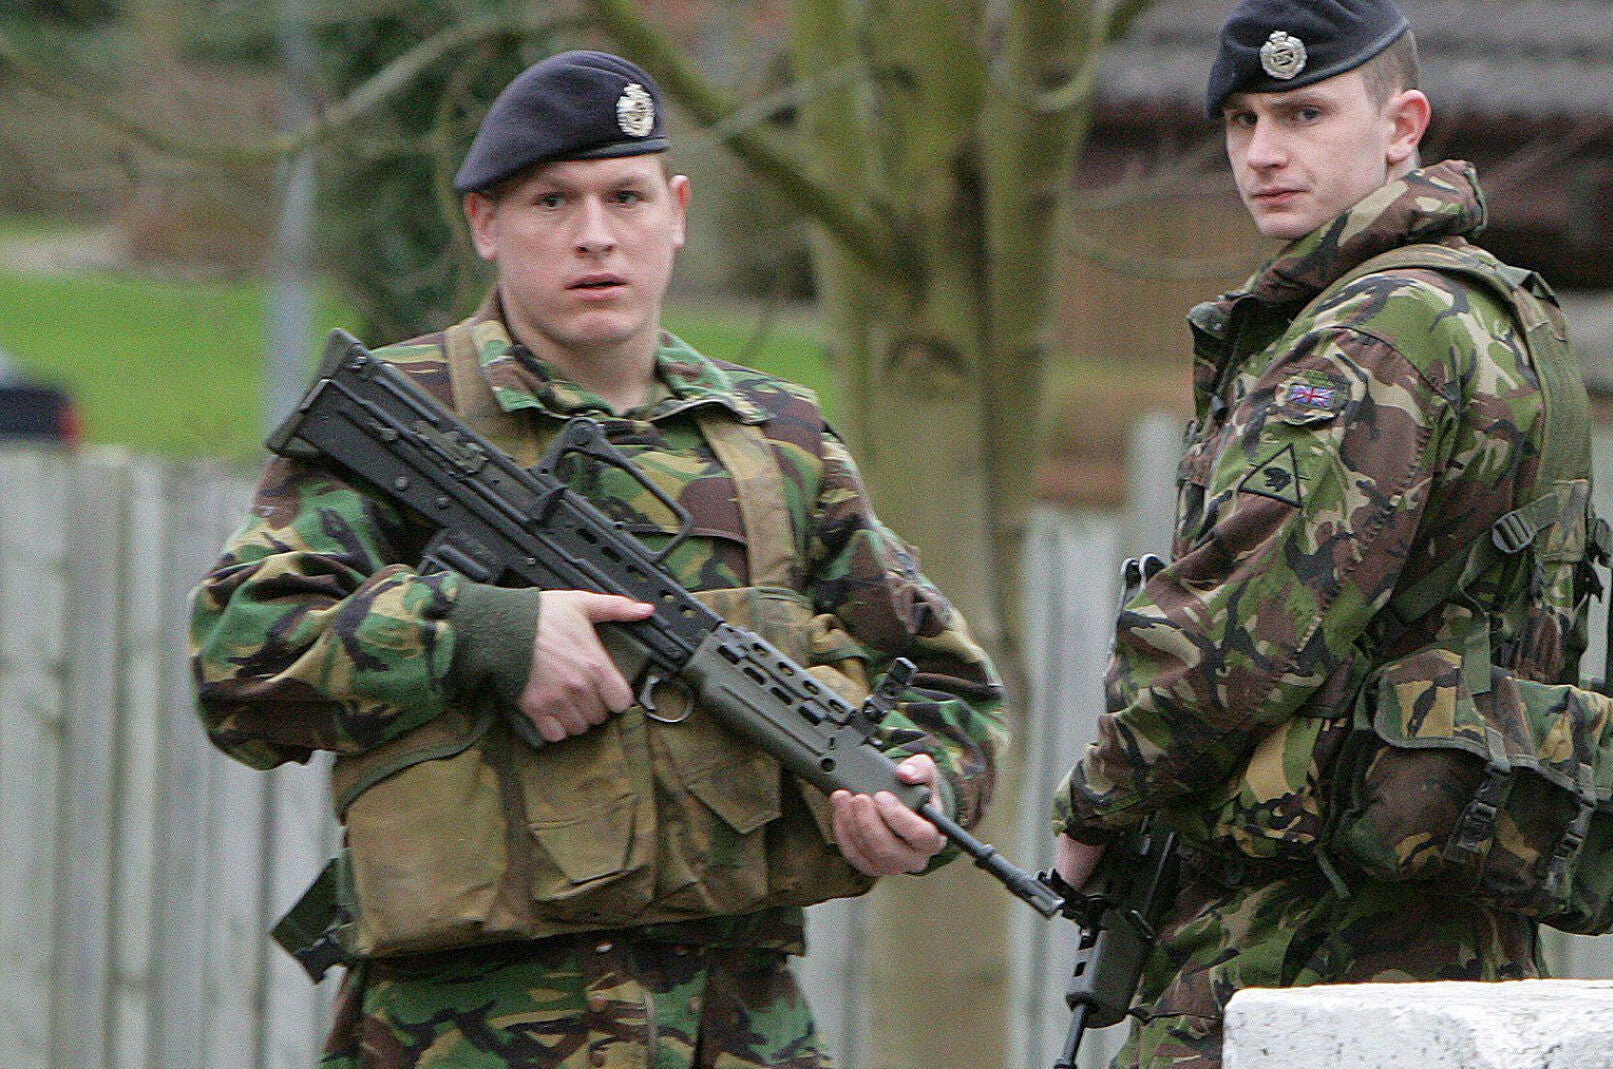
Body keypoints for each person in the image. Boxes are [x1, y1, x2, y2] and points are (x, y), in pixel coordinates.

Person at [191, 50, 1006, 1069]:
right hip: (461, 1035)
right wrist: (483, 632)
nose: (595, 234)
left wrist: (930, 790)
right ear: (485, 222)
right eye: (551, 200)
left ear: (676, 211)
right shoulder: (401, 425)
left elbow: (942, 680)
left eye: (625, 196)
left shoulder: (779, 443)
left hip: (733, 1029)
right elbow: (239, 660)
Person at [1050, 0, 1598, 1064]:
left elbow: (1244, 631)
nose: (1262, 152)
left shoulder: (1376, 332)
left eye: (1304, 114)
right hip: (1445, 921)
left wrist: (1096, 808)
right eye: (1242, 120)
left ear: (1402, 125)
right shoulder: (1496, 307)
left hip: (1310, 938)